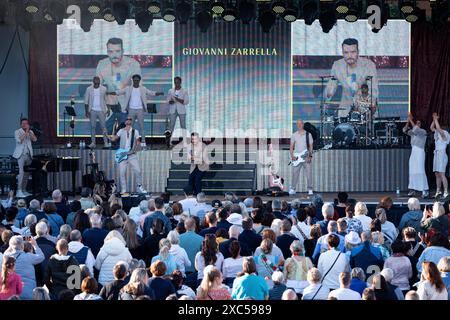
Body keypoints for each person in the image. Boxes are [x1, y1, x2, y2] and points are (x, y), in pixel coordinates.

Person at [96, 37, 142, 132]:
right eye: (111, 52)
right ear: (107, 52)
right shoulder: (102, 64)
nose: (114, 55)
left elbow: (138, 88)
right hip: (108, 106)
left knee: (125, 133)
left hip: (126, 107)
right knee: (106, 131)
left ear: (122, 51)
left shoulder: (133, 64)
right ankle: (107, 144)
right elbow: (97, 87)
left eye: (117, 51)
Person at [325, 38, 378, 118]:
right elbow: (330, 88)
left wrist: (362, 102)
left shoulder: (369, 65)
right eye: (346, 52)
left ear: (358, 52)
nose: (349, 56)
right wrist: (329, 92)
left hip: (365, 112)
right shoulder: (337, 65)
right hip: (344, 111)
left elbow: (373, 92)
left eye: (353, 52)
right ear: (342, 53)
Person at [113, 74, 163, 148]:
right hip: (131, 110)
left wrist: (158, 93)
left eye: (137, 80)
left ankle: (143, 141)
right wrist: (109, 93)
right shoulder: (128, 88)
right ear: (132, 80)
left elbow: (151, 93)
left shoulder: (143, 88)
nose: (136, 81)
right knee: (129, 127)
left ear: (139, 81)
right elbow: (118, 92)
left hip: (140, 110)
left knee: (142, 127)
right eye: (134, 80)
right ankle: (129, 142)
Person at [108, 116, 146, 194]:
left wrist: (135, 149)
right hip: (122, 154)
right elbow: (114, 139)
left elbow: (138, 141)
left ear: (131, 122)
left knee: (138, 171)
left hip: (132, 154)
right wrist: (106, 135)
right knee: (122, 172)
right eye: (127, 119)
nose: (128, 120)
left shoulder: (135, 131)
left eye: (130, 119)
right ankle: (124, 189)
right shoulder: (121, 131)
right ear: (125, 122)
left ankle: (139, 187)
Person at [3, 235, 44, 299]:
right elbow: (41, 257)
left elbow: (6, 252)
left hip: (12, 293)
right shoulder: (28, 257)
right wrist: (35, 245)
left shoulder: (7, 257)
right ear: (22, 246)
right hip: (29, 292)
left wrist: (12, 245)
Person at [403, 113, 429, 197]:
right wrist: (408, 120)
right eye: (416, 123)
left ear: (422, 125)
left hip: (420, 152)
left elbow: (416, 129)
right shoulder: (413, 132)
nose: (417, 124)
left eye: (419, 123)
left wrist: (410, 119)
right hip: (413, 152)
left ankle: (424, 190)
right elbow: (404, 130)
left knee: (420, 170)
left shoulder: (423, 132)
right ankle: (412, 189)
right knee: (412, 170)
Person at [13, 118, 37, 198]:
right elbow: (19, 140)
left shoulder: (30, 131)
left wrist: (30, 133)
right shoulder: (17, 132)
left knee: (27, 173)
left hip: (28, 155)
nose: (25, 125)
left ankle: (23, 190)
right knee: (21, 172)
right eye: (23, 123)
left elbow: (35, 140)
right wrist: (26, 132)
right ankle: (18, 191)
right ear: (21, 124)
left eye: (26, 123)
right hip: (20, 155)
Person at [289, 119, 313, 196]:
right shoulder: (294, 135)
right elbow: (291, 146)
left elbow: (311, 146)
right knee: (294, 174)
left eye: (300, 124)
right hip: (296, 158)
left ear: (303, 124)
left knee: (308, 174)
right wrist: (292, 156)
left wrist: (310, 156)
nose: (299, 125)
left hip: (306, 157)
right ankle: (293, 189)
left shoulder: (308, 134)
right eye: (298, 124)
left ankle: (310, 189)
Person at [84, 76, 110, 149]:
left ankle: (106, 143)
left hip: (101, 110)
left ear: (99, 82)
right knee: (92, 127)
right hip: (92, 110)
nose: (97, 83)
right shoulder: (89, 89)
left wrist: (108, 109)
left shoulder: (104, 89)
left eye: (98, 82)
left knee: (103, 127)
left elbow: (106, 100)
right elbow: (86, 101)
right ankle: (93, 143)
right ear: (93, 82)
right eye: (95, 82)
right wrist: (86, 111)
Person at [430, 112, 450, 198]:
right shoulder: (437, 133)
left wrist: (435, 118)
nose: (440, 128)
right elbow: (431, 128)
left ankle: (446, 191)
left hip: (442, 154)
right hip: (437, 154)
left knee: (442, 173)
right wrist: (434, 120)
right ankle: (438, 191)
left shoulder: (445, 134)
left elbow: (438, 128)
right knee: (437, 173)